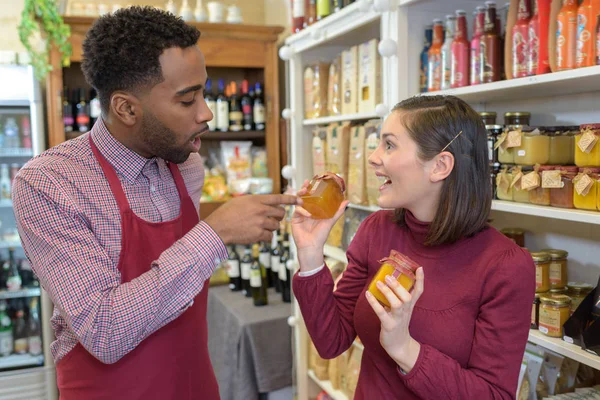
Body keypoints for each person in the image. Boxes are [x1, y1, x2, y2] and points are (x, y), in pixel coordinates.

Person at [12, 7, 298, 400]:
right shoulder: (50, 184)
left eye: (204, 92)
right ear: (126, 108)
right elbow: (103, 329)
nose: (206, 113)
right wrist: (214, 234)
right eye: (186, 101)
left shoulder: (189, 166)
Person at [291, 95, 535, 399]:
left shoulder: (506, 266)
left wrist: (405, 349)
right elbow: (331, 342)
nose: (373, 157)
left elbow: (494, 394)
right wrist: (311, 256)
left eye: (389, 145)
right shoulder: (376, 230)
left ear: (440, 166)